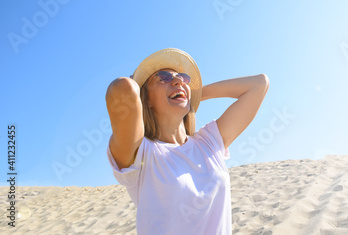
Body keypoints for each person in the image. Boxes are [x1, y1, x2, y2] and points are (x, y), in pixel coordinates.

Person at [104, 48, 269, 234]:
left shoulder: (208, 142)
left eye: (183, 78)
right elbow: (122, 88)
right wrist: (145, 88)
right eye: (164, 77)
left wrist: (193, 95)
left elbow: (259, 84)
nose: (178, 80)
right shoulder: (142, 154)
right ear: (146, 99)